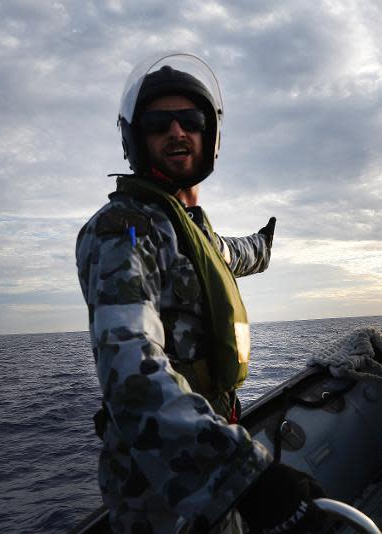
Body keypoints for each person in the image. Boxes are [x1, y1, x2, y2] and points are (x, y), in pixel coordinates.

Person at [76, 53, 324, 533]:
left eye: (189, 121)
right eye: (158, 123)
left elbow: (234, 254)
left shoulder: (194, 233)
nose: (176, 132)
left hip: (214, 444)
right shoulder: (123, 232)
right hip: (162, 488)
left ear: (208, 135)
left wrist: (264, 245)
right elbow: (129, 365)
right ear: (136, 138)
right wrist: (246, 478)